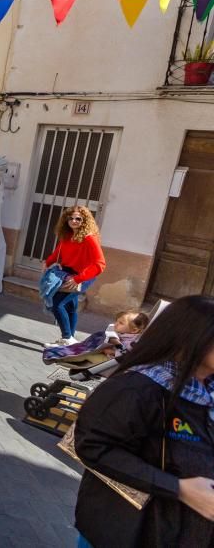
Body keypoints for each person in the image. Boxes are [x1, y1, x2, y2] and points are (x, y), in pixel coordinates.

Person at [73, 295, 214, 548]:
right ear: (191, 336)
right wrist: (179, 488)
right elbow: (93, 446)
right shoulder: (137, 388)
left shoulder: (209, 391)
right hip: (129, 531)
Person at [44, 206, 106, 346]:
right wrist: (47, 263)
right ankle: (70, 340)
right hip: (68, 272)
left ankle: (66, 337)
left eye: (78, 218)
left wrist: (78, 279)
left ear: (85, 221)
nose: (73, 221)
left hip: (81, 276)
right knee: (71, 307)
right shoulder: (68, 235)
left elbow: (100, 264)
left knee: (57, 304)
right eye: (70, 218)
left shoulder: (89, 238)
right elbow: (58, 253)